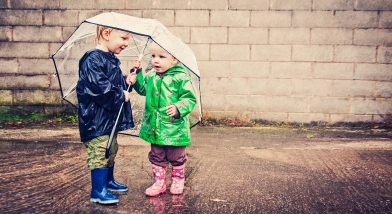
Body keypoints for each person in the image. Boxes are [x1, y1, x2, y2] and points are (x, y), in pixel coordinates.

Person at [76, 25, 137, 204]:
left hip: (108, 119)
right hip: (96, 119)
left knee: (110, 149)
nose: (126, 43)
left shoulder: (110, 59)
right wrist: (121, 95)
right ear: (106, 34)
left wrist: (127, 80)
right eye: (124, 38)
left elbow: (115, 83)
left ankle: (108, 181)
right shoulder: (93, 59)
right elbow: (99, 87)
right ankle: (98, 191)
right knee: (100, 151)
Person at [131, 42, 197, 196]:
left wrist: (179, 108)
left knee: (177, 156)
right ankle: (159, 183)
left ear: (174, 60)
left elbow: (189, 98)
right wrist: (137, 75)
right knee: (157, 155)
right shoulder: (151, 76)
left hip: (175, 128)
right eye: (153, 56)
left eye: (161, 57)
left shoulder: (181, 77)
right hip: (155, 125)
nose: (155, 60)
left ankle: (177, 181)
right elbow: (142, 90)